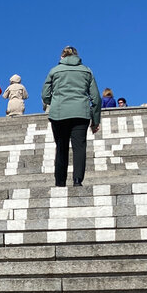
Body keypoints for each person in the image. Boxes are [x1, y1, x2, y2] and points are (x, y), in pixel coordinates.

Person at [41, 46, 101, 187]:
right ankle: (77, 180)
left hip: (59, 114)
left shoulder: (54, 71)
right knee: (79, 148)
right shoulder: (86, 71)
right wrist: (95, 120)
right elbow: (96, 98)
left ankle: (60, 181)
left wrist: (53, 102)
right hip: (81, 113)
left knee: (61, 147)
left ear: (62, 56)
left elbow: (45, 94)